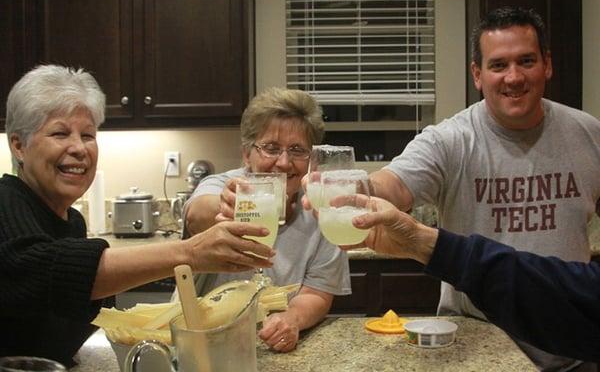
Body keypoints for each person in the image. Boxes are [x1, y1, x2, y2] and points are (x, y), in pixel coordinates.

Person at [365, 6, 600, 370]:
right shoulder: (450, 140)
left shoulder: (588, 134)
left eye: (526, 61)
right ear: (478, 74)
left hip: (572, 350)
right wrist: (352, 189)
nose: (514, 77)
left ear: (547, 65)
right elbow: (391, 184)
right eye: (498, 65)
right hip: (478, 348)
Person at [0, 65, 274, 367]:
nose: (79, 148)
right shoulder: (5, 203)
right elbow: (38, 270)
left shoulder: (70, 222)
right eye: (60, 133)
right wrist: (190, 253)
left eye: (88, 135)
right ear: (18, 145)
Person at [183, 87, 351, 352]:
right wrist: (227, 206)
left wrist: (290, 319)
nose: (284, 163)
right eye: (271, 148)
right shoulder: (222, 184)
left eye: (297, 150)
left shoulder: (320, 208)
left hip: (274, 349)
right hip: (203, 346)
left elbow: (317, 292)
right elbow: (196, 215)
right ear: (247, 154)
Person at [343, 197, 600, 362]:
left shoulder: (589, 133)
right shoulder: (454, 135)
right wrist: (424, 244)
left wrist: (427, 245)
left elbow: (580, 302)